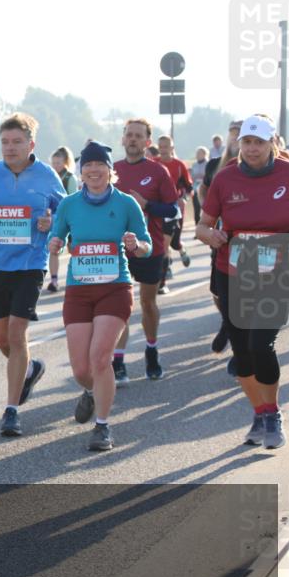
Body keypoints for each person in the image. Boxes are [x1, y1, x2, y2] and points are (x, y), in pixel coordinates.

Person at [196, 114, 289, 450]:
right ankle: (260, 411)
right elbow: (203, 225)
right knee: (242, 353)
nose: (252, 149)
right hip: (233, 271)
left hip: (279, 271)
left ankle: (273, 414)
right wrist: (212, 235)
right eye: (247, 142)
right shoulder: (225, 179)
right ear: (240, 144)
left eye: (259, 142)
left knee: (261, 344)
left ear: (272, 143)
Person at [49, 142, 153, 451]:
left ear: (110, 170)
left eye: (99, 165)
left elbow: (147, 247)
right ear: (80, 171)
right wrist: (54, 243)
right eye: (87, 166)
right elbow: (57, 236)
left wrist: (137, 245)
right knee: (82, 369)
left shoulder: (126, 204)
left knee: (100, 358)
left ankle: (103, 426)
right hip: (79, 290)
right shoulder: (68, 204)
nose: (93, 170)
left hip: (114, 288)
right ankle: (93, 392)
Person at [0, 114, 65, 436]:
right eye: (5, 142)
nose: (10, 148)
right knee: (1, 339)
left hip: (30, 263)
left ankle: (11, 411)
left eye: (17, 142)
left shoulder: (47, 175)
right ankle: (30, 368)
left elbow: (64, 210)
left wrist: (51, 224)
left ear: (31, 144)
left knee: (17, 333)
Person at [111, 119, 178, 385]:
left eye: (138, 136)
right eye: (129, 135)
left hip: (150, 248)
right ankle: (118, 361)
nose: (133, 140)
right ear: (122, 139)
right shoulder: (111, 170)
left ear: (147, 142)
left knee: (147, 304)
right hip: (117, 249)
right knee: (120, 307)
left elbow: (173, 209)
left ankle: (151, 350)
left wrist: (146, 204)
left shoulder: (159, 171)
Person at [201, 120, 243, 369]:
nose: (237, 140)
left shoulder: (272, 167)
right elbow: (204, 191)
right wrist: (207, 221)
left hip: (256, 243)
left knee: (250, 297)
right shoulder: (216, 166)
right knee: (219, 292)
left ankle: (242, 351)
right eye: (234, 135)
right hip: (221, 239)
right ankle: (228, 323)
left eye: (242, 135)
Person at [155, 135, 194, 291]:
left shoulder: (179, 165)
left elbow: (190, 188)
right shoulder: (154, 164)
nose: (163, 149)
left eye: (166, 146)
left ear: (172, 148)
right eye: (161, 146)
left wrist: (183, 198)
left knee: (174, 243)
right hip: (157, 209)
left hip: (174, 210)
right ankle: (162, 282)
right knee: (163, 244)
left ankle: (181, 250)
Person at [47, 146, 79, 292]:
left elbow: (73, 199)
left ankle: (77, 277)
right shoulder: (48, 178)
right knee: (53, 249)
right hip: (54, 220)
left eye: (58, 163)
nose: (55, 166)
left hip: (70, 219)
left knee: (73, 249)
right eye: (53, 163)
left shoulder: (70, 178)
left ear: (65, 163)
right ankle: (54, 280)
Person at [190, 146, 209, 224]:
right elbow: (192, 177)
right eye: (197, 153)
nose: (198, 155)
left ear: (205, 154)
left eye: (200, 153)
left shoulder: (208, 164)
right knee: (196, 209)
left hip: (206, 189)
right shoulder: (194, 165)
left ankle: (208, 227)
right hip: (195, 189)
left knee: (206, 209)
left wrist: (202, 177)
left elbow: (209, 176)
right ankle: (197, 228)